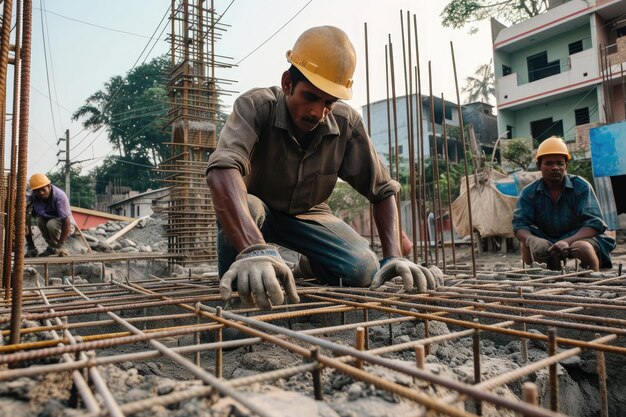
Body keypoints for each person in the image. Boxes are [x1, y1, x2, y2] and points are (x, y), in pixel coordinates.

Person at [206, 26, 442, 308]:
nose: (318, 112)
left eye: (329, 102)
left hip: (309, 216)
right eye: (310, 97)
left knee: (363, 268)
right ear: (287, 84)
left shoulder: (346, 124)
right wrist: (254, 249)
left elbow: (382, 190)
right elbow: (222, 170)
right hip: (256, 214)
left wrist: (393, 257)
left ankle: (307, 265)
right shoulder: (255, 107)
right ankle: (242, 289)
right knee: (249, 205)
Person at [512, 136, 615, 271]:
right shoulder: (528, 192)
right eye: (549, 163)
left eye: (560, 163)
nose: (555, 167)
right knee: (528, 243)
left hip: (579, 237)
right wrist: (532, 240)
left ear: (566, 165)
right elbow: (519, 224)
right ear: (539, 166)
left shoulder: (581, 187)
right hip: (546, 239)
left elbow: (594, 224)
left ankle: (590, 279)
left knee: (582, 248)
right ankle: (542, 277)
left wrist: (567, 241)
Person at [25, 173, 72, 257]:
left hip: (63, 223)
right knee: (40, 221)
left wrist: (60, 244)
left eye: (43, 189)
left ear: (49, 186)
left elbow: (66, 221)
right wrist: (30, 246)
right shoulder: (33, 195)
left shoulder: (60, 196)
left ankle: (60, 248)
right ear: (33, 191)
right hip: (46, 218)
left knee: (51, 224)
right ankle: (52, 247)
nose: (41, 193)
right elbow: (24, 210)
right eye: (37, 191)